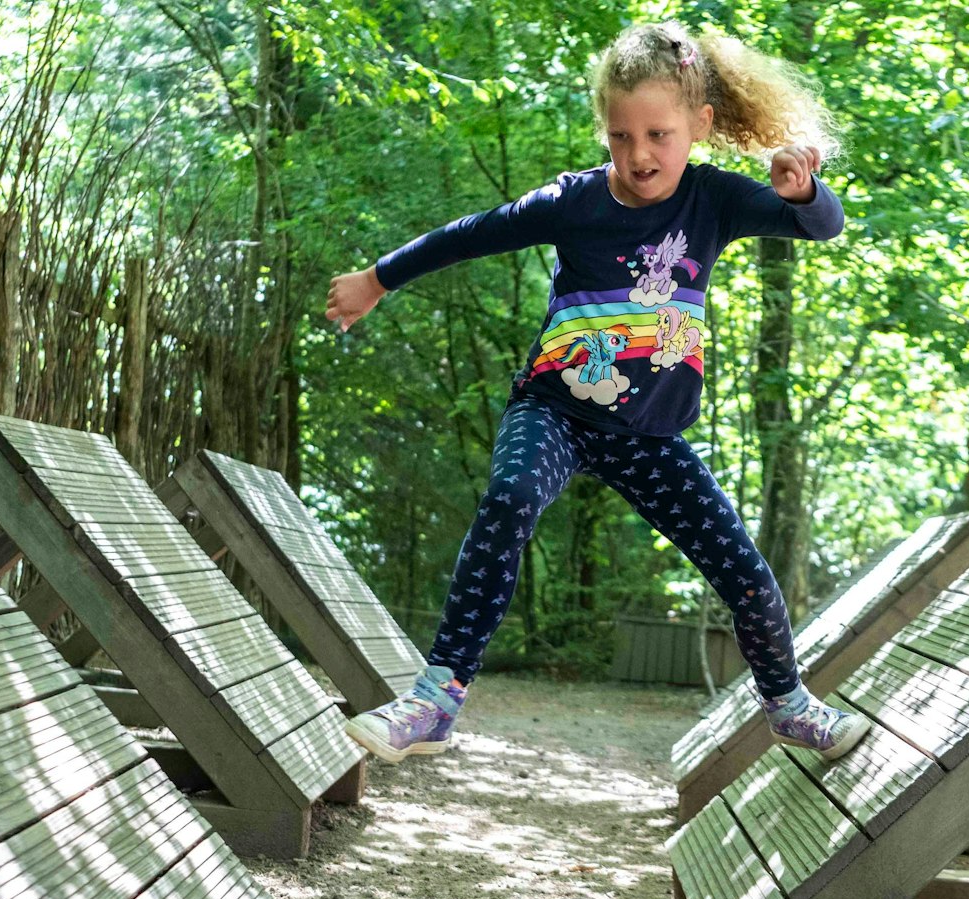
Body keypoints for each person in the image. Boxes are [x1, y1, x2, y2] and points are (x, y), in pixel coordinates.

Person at [326, 21, 871, 766]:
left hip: (651, 435)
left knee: (743, 570)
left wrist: (804, 190)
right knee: (511, 495)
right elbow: (468, 234)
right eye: (620, 136)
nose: (639, 155)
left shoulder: (713, 201)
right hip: (554, 411)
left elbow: (824, 226)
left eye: (658, 134)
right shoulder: (572, 202)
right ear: (603, 131)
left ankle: (789, 704)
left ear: (700, 126)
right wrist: (376, 279)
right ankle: (436, 696)